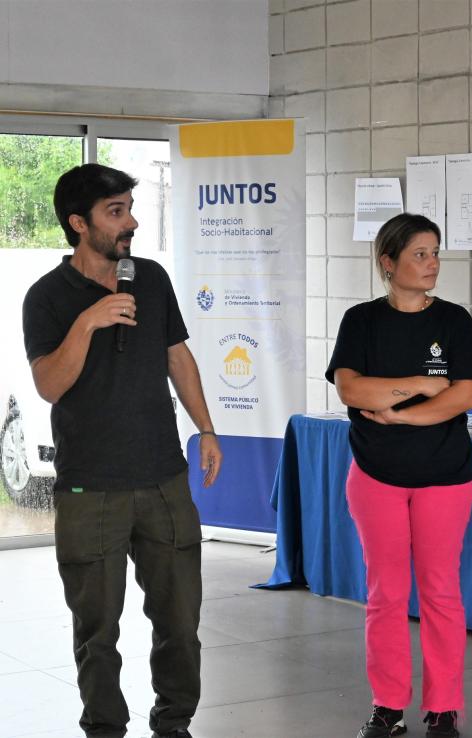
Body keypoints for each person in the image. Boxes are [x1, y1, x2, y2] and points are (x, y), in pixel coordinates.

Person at [22, 164, 222, 738]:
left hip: (163, 478)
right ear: (78, 223)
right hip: (91, 487)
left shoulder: (151, 278)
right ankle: (105, 726)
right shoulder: (47, 298)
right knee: (97, 629)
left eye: (130, 208)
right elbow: (49, 385)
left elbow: (176, 357)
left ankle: (174, 721)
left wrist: (205, 429)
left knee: (181, 621)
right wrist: (87, 323)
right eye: (116, 212)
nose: (130, 222)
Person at [326, 213, 472, 738]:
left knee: (441, 591)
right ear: (388, 262)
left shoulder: (454, 321)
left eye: (436, 252)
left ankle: (443, 707)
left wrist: (400, 411)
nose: (432, 263)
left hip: (445, 476)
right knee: (386, 594)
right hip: (376, 475)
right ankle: (388, 706)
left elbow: (465, 396)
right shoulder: (362, 321)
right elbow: (352, 390)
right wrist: (422, 383)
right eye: (420, 253)